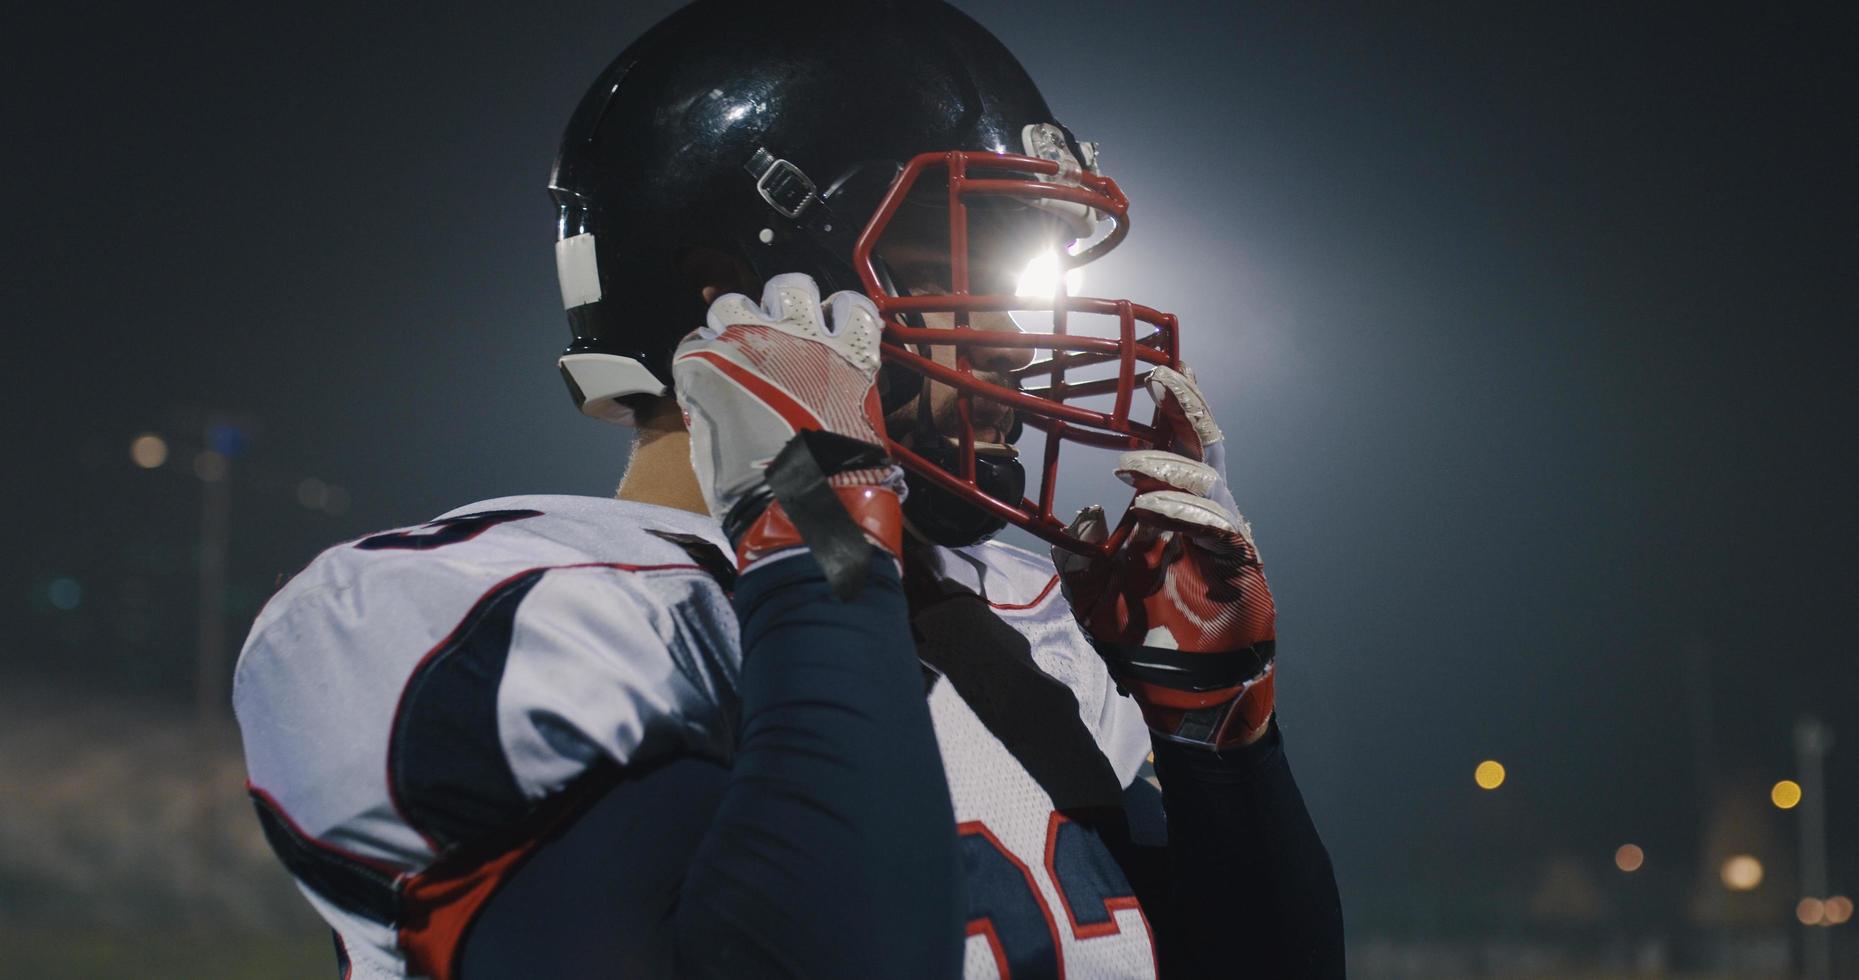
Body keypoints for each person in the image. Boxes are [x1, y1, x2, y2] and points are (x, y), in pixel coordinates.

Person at [234, 1, 1344, 977]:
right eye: (965, 267)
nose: (1016, 343)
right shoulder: (520, 617)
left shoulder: (1023, 613)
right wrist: (822, 541)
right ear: (734, 286)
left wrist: (1219, 745)